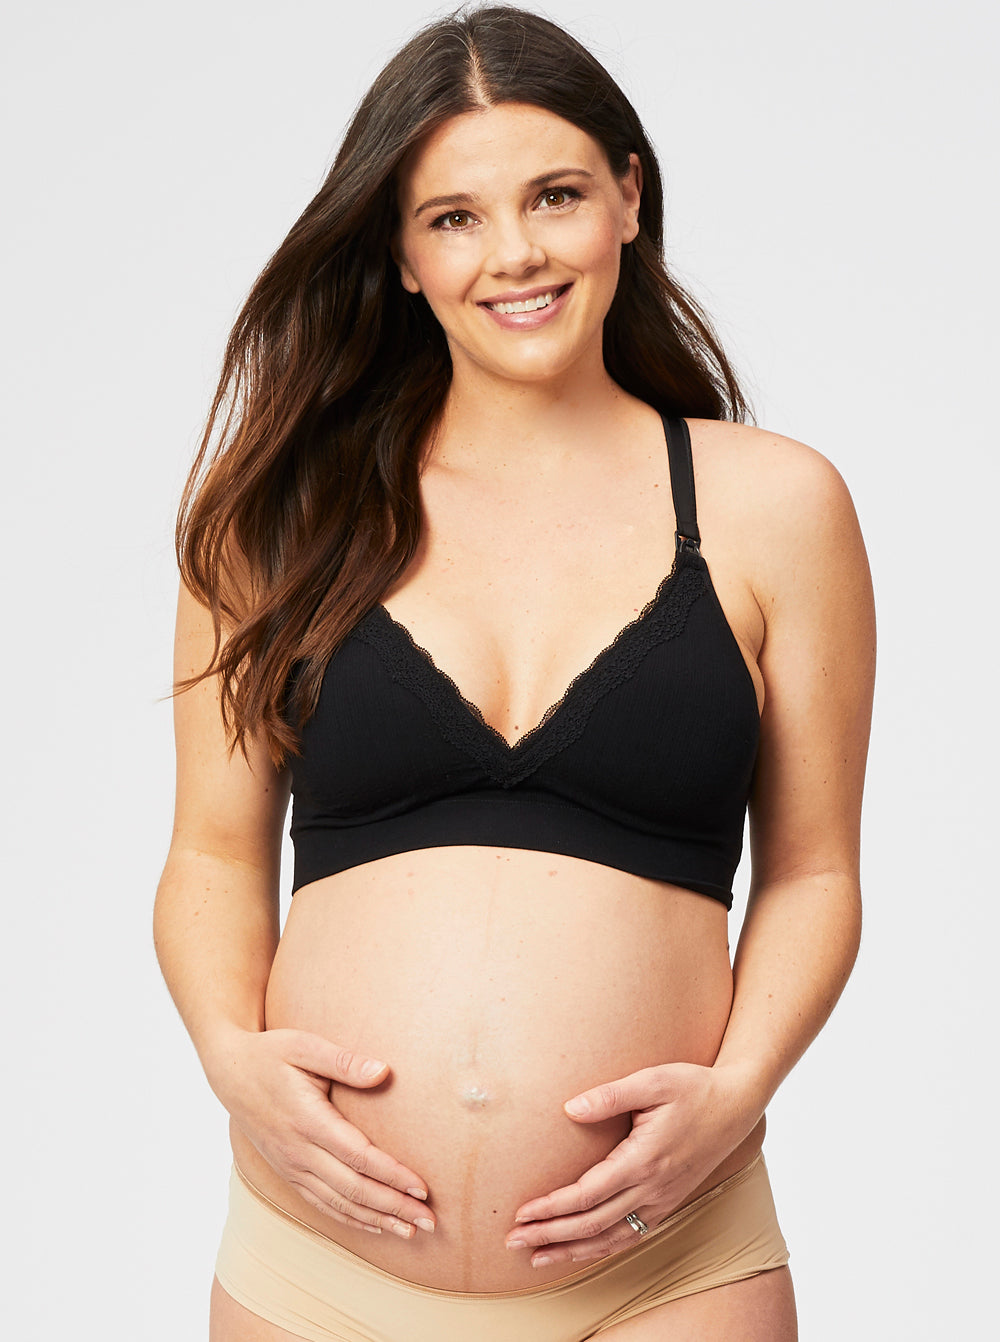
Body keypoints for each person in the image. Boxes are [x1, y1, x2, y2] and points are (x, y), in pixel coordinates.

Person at [154, 6, 875, 1339]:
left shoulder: (775, 508)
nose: (516, 253)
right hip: (317, 1269)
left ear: (628, 200)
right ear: (402, 254)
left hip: (669, 1265)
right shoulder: (277, 519)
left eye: (556, 196)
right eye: (455, 217)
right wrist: (228, 1057)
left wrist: (737, 1092)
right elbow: (209, 852)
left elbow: (816, 871)